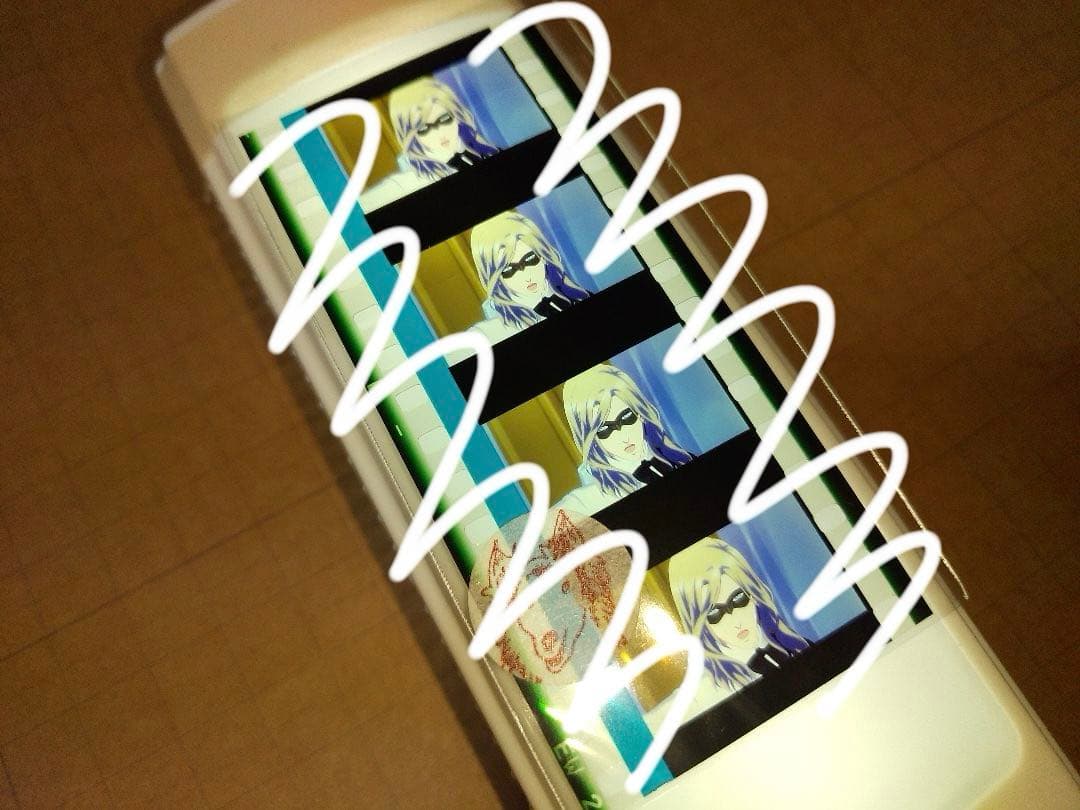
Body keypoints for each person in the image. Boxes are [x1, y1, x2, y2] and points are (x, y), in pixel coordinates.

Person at [668, 536, 809, 695]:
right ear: (700, 626)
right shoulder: (709, 692)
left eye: (739, 599)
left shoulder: (793, 643)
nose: (735, 621)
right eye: (715, 614)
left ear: (754, 594)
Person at [556, 363, 692, 513]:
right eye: (605, 429)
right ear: (591, 440)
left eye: (627, 418)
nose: (624, 437)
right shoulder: (587, 501)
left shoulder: (675, 455)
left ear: (640, 414)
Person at [359, 76, 499, 210]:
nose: (439, 132)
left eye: (444, 119)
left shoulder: (482, 147)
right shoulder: (407, 182)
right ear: (411, 135)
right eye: (424, 128)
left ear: (456, 115)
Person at [468, 211, 590, 341]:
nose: (527, 276)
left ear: (543, 256)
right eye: (509, 270)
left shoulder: (574, 294)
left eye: (530, 260)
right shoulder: (486, 334)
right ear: (495, 279)